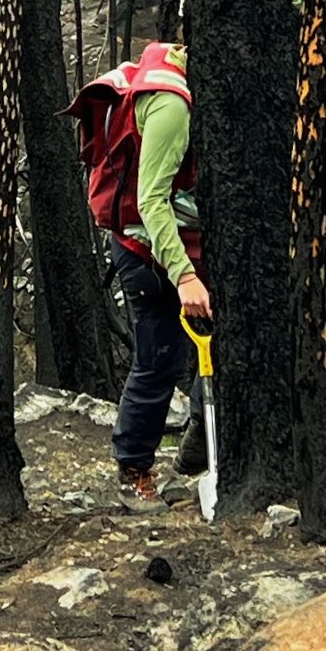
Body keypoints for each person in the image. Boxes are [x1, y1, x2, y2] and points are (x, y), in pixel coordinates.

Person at [71, 40, 212, 505]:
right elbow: (151, 200)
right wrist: (185, 276)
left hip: (183, 244)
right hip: (146, 250)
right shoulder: (171, 106)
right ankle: (133, 467)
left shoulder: (191, 84)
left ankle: (201, 437)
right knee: (158, 359)